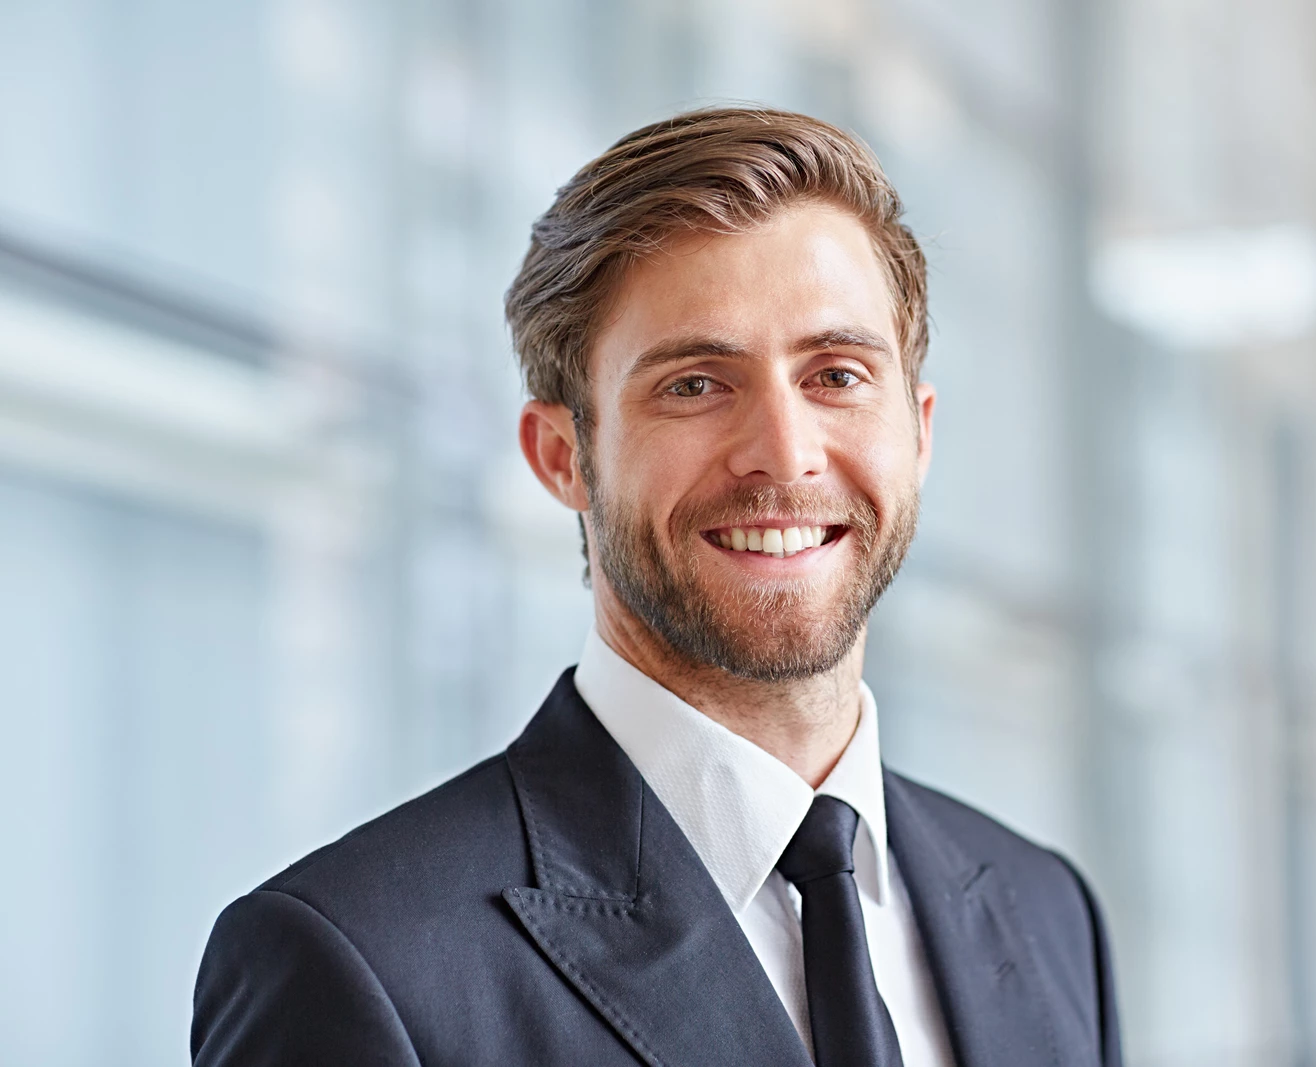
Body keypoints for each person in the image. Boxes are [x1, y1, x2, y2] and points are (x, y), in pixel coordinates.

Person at [192, 106, 1121, 1067]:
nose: (785, 454)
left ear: (918, 432)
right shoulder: (357, 962)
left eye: (837, 374)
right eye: (694, 384)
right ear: (563, 456)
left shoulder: (1046, 911)